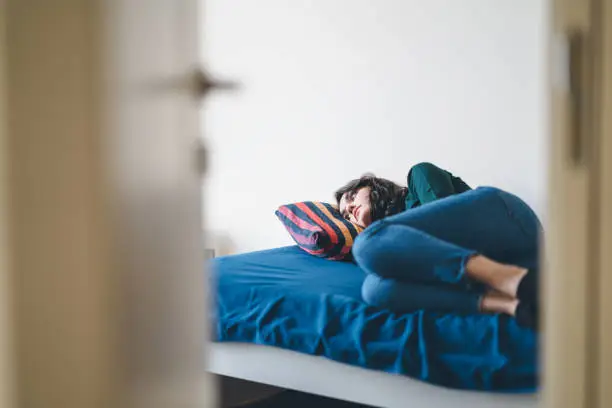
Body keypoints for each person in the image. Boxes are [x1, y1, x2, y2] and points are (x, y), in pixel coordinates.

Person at [335, 162, 540, 329]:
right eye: (345, 215)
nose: (351, 208)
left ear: (372, 185)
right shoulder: (384, 250)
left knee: (365, 245)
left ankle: (512, 280)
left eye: (352, 197)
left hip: (507, 222)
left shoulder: (418, 176)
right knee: (374, 290)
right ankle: (510, 303)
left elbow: (454, 230)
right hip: (494, 260)